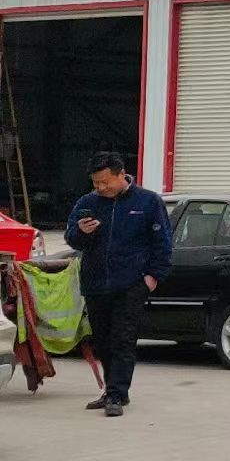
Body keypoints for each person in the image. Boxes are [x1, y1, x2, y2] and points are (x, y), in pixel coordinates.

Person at [64, 152, 173, 417]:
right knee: (103, 340)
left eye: (105, 182)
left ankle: (115, 393)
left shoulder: (147, 202)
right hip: (96, 282)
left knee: (123, 339)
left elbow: (163, 243)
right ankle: (114, 392)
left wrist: (152, 277)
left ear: (121, 173)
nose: (100, 188)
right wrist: (82, 231)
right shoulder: (87, 203)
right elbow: (71, 238)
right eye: (96, 183)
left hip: (131, 284)